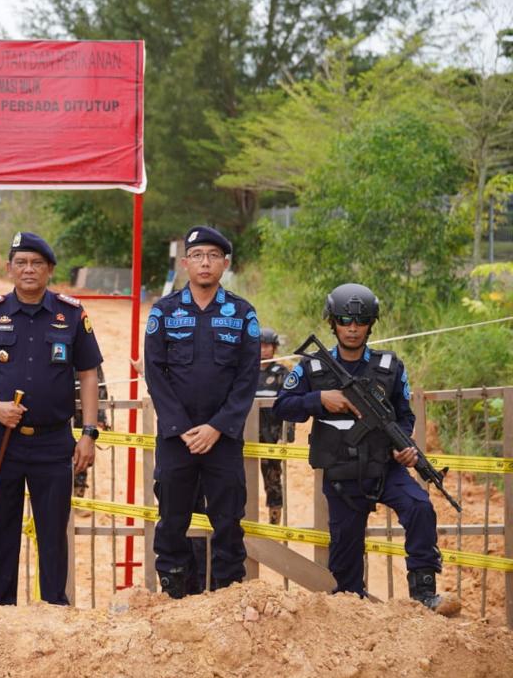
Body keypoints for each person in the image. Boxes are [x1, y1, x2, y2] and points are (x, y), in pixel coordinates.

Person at [272, 283, 460, 615]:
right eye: (345, 320)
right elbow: (282, 406)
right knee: (345, 563)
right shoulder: (313, 368)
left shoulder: (389, 367)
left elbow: (404, 416)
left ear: (371, 323)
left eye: (360, 321)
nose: (353, 328)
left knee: (419, 506)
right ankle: (351, 614)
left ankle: (423, 593)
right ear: (333, 323)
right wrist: (320, 400)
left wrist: (403, 448)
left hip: (385, 468)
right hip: (342, 476)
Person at [0, 231, 103, 605]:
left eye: (37, 263)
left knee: (53, 532)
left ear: (50, 269)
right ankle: (0, 611)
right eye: (21, 262)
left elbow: (88, 373)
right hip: (0, 439)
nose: (28, 269)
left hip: (53, 442)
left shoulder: (70, 314)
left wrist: (87, 432)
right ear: (9, 268)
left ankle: (54, 609)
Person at [144, 226, 260, 598]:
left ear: (225, 263)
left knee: (228, 519)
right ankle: (175, 591)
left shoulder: (242, 314)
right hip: (176, 437)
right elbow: (155, 373)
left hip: (222, 439)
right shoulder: (164, 312)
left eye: (213, 256)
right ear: (185, 263)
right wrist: (179, 426)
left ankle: (228, 594)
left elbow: (247, 378)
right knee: (172, 518)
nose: (205, 263)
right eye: (197, 256)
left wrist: (217, 428)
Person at [255, 327, 294, 525]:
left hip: (271, 434)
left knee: (272, 477)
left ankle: (274, 520)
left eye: (267, 346)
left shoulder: (282, 373)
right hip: (245, 435)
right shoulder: (245, 371)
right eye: (260, 345)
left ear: (274, 348)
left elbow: (292, 402)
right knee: (239, 477)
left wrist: (288, 432)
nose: (263, 350)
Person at [73, 364, 108, 499]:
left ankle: (79, 493)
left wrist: (100, 416)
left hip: (85, 415)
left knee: (82, 455)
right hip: (61, 413)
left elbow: (100, 383)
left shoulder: (87, 353)